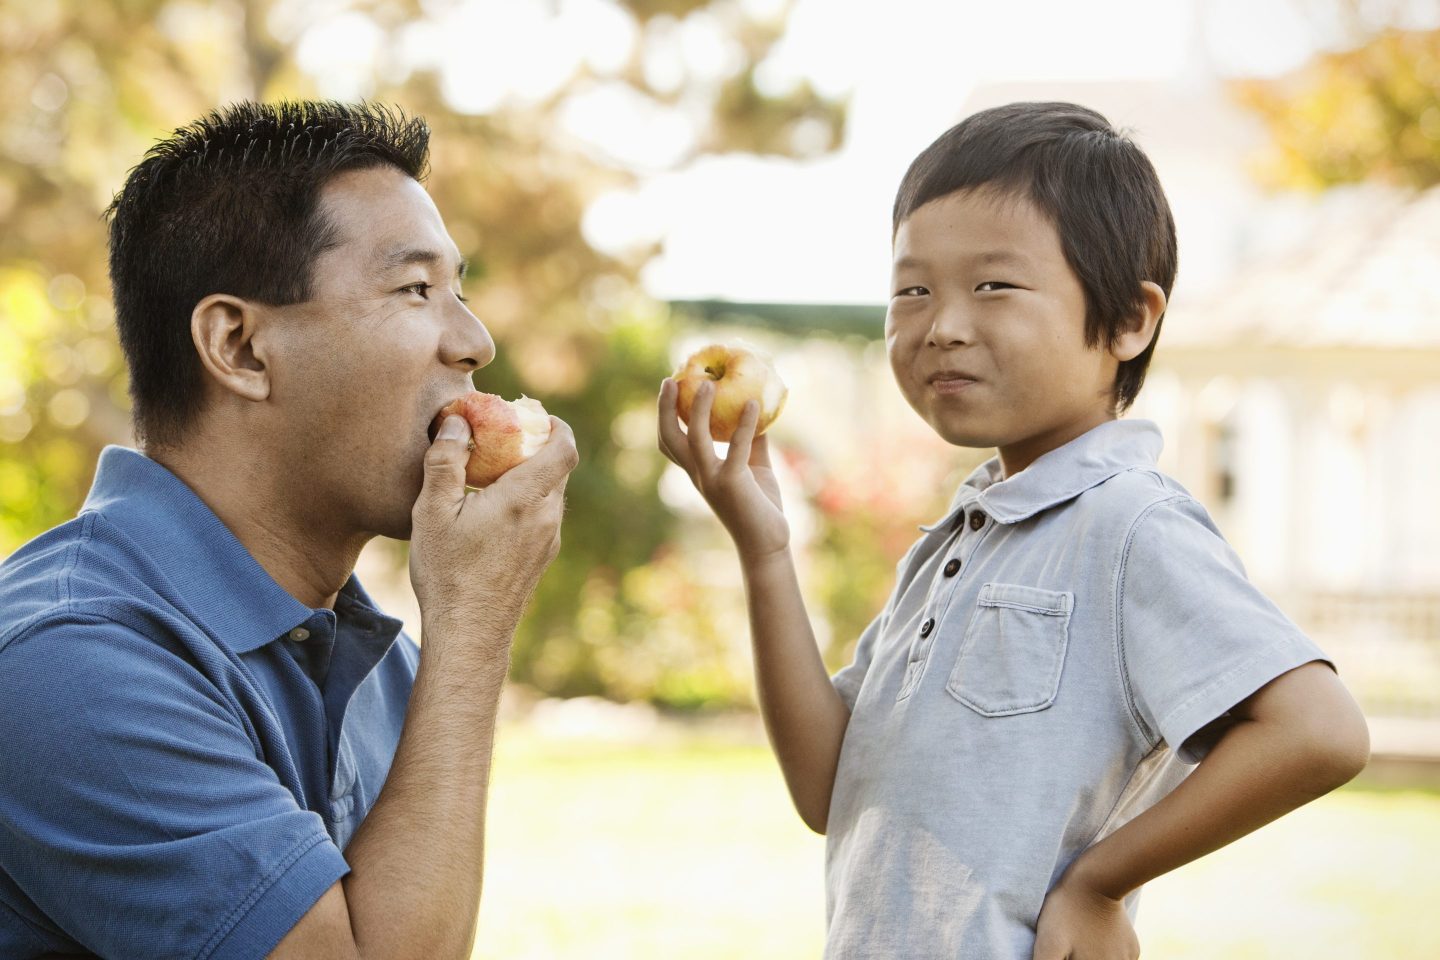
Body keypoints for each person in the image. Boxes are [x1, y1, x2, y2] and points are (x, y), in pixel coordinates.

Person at [657, 101, 1371, 959]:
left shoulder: (1128, 523)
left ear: (1128, 320)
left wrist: (1100, 883)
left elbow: (1320, 730)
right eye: (911, 290)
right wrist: (763, 549)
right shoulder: (962, 537)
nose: (942, 324)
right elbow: (826, 789)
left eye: (993, 285)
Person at [0, 100, 578, 959]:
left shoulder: (377, 662)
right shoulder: (70, 660)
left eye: (463, 290)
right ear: (238, 347)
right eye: (416, 288)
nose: (476, 342)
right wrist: (475, 628)